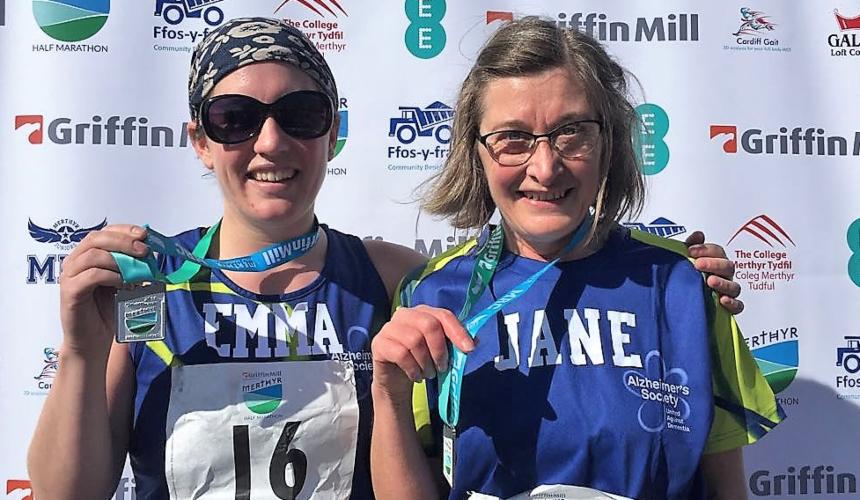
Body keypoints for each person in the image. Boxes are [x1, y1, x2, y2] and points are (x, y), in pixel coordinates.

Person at [27, 17, 742, 500]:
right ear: (199, 139)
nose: (270, 143)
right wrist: (83, 354)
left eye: (300, 116)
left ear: (331, 136)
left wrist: (681, 279)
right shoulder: (149, 288)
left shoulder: (396, 278)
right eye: (235, 119)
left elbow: (539, 272)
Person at [370, 17, 783, 500]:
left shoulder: (684, 284)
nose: (545, 168)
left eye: (572, 132)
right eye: (512, 138)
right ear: (474, 151)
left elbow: (725, 487)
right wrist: (389, 396)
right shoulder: (432, 295)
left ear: (608, 142)